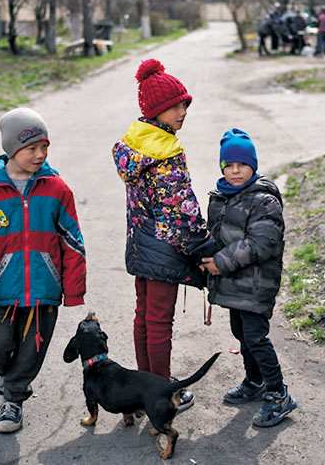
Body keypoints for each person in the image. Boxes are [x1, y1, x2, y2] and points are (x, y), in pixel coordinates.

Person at [0, 107, 87, 434]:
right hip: (2, 292)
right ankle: (6, 377)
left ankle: (13, 399)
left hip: (43, 291)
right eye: (32, 148)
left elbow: (73, 242)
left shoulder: (57, 189)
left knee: (31, 352)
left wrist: (73, 290)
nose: (40, 154)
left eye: (45, 146)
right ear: (11, 149)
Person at [112, 58, 218, 411]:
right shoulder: (166, 152)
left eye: (185, 103)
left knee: (143, 316)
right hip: (164, 247)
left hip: (140, 243)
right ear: (157, 111)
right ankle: (161, 389)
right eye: (175, 106)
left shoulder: (136, 144)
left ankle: (146, 384)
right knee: (159, 321)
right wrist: (205, 248)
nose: (183, 111)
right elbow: (181, 209)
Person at [199, 128, 298, 428]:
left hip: (256, 284)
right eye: (228, 165)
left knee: (256, 337)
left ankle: (279, 393)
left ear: (253, 165)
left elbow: (262, 243)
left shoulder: (263, 201)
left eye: (241, 164)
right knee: (241, 334)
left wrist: (221, 262)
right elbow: (216, 235)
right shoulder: (220, 198)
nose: (235, 170)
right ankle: (255, 381)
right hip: (233, 283)